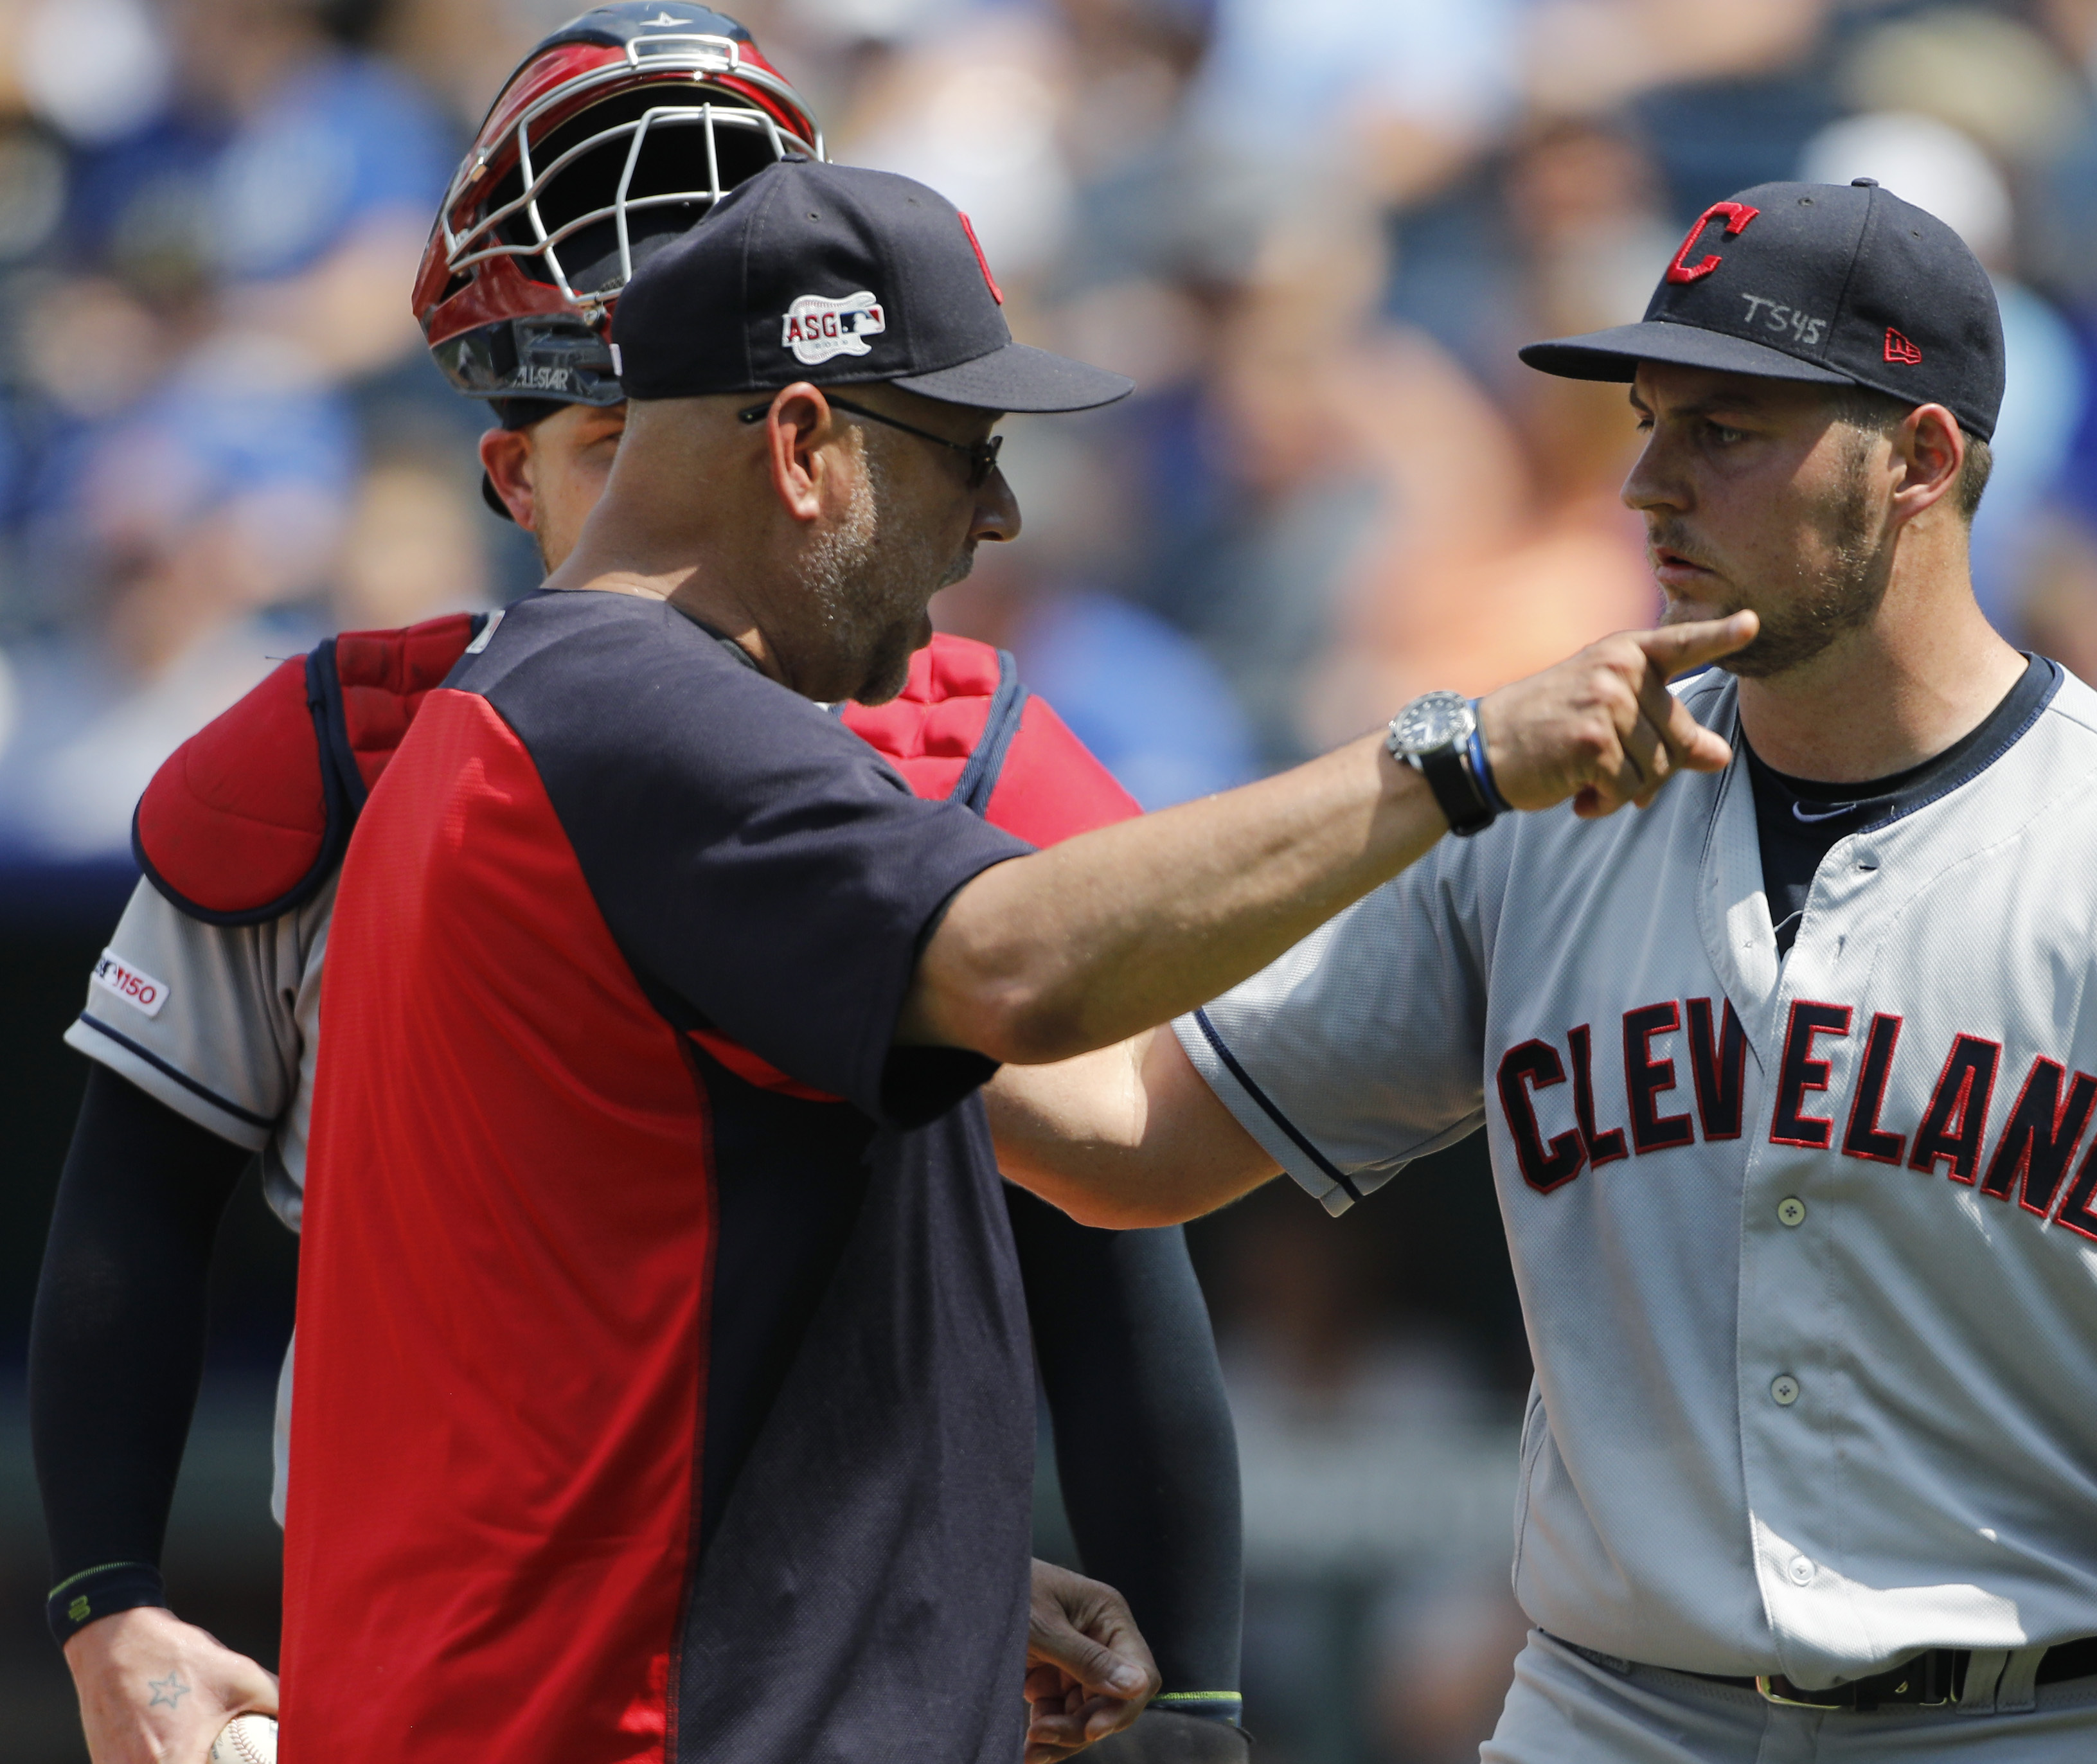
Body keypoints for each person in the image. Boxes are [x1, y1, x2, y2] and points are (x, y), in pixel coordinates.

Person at [276, 153, 1751, 1763]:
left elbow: (635, 1358)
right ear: (802, 445)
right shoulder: (641, 720)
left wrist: (928, 1572)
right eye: (966, 451)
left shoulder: (518, 720)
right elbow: (1020, 975)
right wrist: (1455, 755)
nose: (1001, 514)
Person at [987, 179, 2097, 1763]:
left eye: (1725, 429)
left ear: (1918, 461)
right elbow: (1143, 1142)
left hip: (2028, 1721)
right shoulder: (1540, 817)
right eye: (1650, 421)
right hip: (1609, 1710)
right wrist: (861, 993)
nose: (1648, 484)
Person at [29, 10, 1240, 1762]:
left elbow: (1113, 1242)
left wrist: (1181, 1685)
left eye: (729, 429)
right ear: (516, 475)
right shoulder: (343, 759)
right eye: (618, 446)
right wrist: (106, 1599)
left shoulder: (956, 757)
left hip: (805, 1661)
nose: (695, 501)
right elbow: (131, 1204)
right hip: (437, 1654)